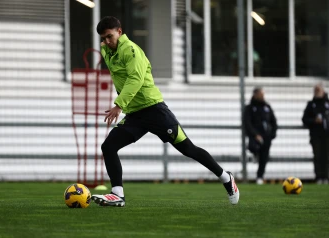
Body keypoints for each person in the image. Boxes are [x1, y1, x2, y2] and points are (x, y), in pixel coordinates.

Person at [91, 16, 239, 207]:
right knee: (108, 147)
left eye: (110, 36)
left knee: (188, 149)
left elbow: (135, 79)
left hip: (154, 111)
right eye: (103, 38)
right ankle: (117, 194)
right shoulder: (107, 51)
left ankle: (226, 178)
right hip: (135, 115)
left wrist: (118, 104)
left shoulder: (131, 50)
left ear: (120, 32)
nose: (107, 41)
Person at [302, 83, 329, 184]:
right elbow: (305, 119)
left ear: (323, 91)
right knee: (317, 156)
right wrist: (314, 121)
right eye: (315, 90)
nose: (317, 92)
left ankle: (326, 177)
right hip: (315, 135)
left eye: (318, 90)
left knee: (326, 156)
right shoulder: (311, 104)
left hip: (327, 135)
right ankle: (318, 177)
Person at [244, 87, 277, 185]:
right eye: (261, 95)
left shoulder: (267, 107)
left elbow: (273, 121)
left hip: (266, 136)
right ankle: (255, 155)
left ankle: (260, 177)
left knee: (264, 157)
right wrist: (255, 134)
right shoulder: (249, 108)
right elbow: (247, 123)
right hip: (255, 136)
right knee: (253, 147)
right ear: (255, 95)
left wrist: (273, 133)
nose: (263, 97)